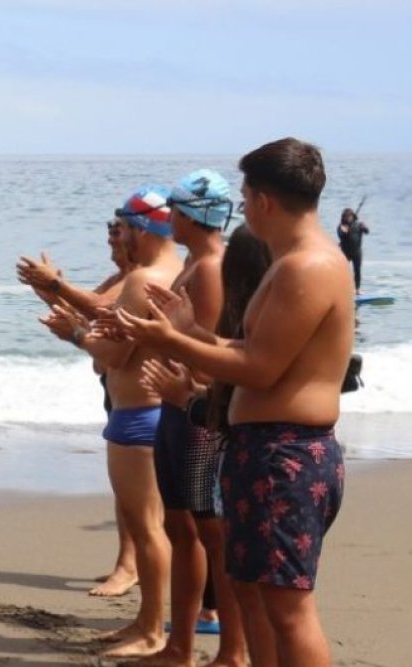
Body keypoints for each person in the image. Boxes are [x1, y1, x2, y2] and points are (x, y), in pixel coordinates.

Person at [118, 138, 352, 667]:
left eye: (245, 196)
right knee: (253, 594)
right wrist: (191, 331)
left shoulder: (307, 266)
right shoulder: (287, 263)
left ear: (265, 200)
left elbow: (260, 370)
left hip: (285, 456)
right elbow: (253, 349)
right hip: (262, 452)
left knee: (289, 609)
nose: (241, 207)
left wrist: (171, 341)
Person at [138, 169, 248, 667]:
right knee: (184, 530)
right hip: (177, 407)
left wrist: (185, 381)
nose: (170, 221)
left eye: (176, 214)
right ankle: (181, 645)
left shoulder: (209, 268)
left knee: (209, 534)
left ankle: (230, 649)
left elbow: (208, 352)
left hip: (196, 414)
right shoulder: (194, 263)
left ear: (191, 217)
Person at [68, 185, 183, 658]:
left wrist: (75, 333)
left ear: (143, 230)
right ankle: (147, 621)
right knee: (161, 524)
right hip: (166, 411)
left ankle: (152, 628)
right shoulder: (183, 271)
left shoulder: (142, 281)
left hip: (138, 414)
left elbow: (115, 353)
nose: (120, 238)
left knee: (147, 525)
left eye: (125, 229)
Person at [23, 218, 140, 597]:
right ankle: (127, 562)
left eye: (118, 229)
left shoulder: (136, 278)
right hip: (115, 387)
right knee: (125, 489)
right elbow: (90, 320)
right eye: (108, 228)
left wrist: (57, 286)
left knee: (135, 492)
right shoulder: (116, 276)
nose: (111, 235)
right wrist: (50, 292)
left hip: (136, 397)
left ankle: (130, 566)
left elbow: (99, 310)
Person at [336, 207, 369, 293]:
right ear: (343, 217)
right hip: (345, 252)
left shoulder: (358, 225)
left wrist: (364, 227)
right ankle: (342, 290)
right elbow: (340, 235)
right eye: (346, 217)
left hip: (357, 252)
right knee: (343, 271)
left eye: (349, 216)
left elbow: (367, 231)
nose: (348, 218)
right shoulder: (341, 226)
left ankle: (357, 290)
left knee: (357, 270)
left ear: (353, 216)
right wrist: (343, 232)